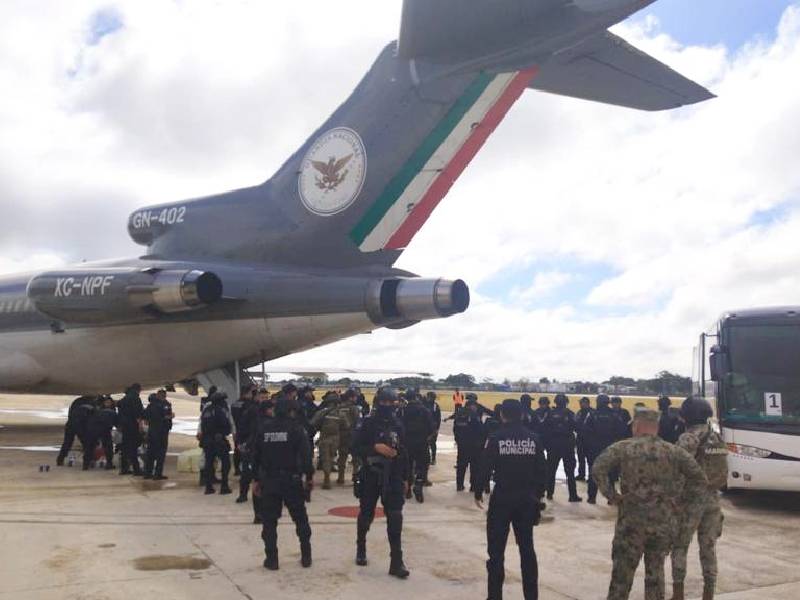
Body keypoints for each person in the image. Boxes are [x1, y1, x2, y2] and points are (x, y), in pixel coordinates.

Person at [591, 407, 707, 600]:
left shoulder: (623, 447)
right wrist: (678, 501)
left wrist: (613, 495)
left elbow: (598, 468)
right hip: (662, 525)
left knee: (622, 576)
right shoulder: (673, 451)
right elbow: (699, 479)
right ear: (656, 427)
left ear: (636, 425)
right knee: (655, 574)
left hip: (631, 525)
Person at [475, 399, 548, 600]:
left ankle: (495, 596)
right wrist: (538, 495)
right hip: (526, 499)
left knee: (496, 552)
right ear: (523, 415)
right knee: (527, 550)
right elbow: (542, 470)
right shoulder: (534, 439)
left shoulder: (496, 437)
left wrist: (478, 491)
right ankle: (531, 596)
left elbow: (485, 466)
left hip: (502, 499)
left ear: (502, 415)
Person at [670, 397, 728, 600]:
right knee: (708, 547)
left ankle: (678, 594)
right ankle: (708, 593)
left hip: (690, 500)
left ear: (687, 416)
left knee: (679, 546)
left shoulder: (688, 438)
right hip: (713, 499)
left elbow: (677, 470)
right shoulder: (716, 437)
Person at [352, 386, 410, 578]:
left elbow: (404, 452)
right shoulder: (367, 423)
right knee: (366, 515)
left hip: (392, 476)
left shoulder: (398, 424)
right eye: (384, 402)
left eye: (390, 403)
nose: (387, 406)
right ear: (378, 403)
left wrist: (406, 477)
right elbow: (355, 447)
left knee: (395, 517)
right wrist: (374, 448)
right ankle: (361, 547)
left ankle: (396, 561)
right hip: (371, 475)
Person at [251, 395, 314, 570]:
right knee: (301, 519)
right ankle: (306, 555)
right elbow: (306, 457)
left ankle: (272, 559)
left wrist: (256, 479)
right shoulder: (297, 429)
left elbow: (255, 457)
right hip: (291, 481)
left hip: (270, 481)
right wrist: (309, 478)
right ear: (291, 411)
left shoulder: (264, 429)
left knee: (269, 522)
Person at [583, 395, 625, 504]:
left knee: (593, 472)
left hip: (594, 448)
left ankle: (592, 497)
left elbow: (585, 431)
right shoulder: (614, 415)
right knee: (611, 473)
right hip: (610, 447)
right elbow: (621, 431)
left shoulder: (591, 414)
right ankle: (611, 498)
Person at [546, 394, 582, 502]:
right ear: (566, 402)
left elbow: (544, 428)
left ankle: (549, 493)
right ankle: (572, 495)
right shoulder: (570, 413)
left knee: (551, 471)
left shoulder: (550, 414)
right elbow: (577, 427)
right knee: (570, 472)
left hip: (553, 444)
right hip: (567, 444)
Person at [402, 392, 433, 502]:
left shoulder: (403, 410)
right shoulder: (424, 410)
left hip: (406, 443)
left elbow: (398, 426)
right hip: (421, 442)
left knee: (407, 466)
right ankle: (419, 484)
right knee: (423, 465)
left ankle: (408, 488)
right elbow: (431, 427)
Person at [201, 391, 233, 495]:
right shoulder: (219, 411)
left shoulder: (206, 411)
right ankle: (224, 486)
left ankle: (208, 487)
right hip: (218, 440)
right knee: (226, 463)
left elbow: (203, 425)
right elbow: (226, 426)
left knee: (209, 463)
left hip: (207, 440)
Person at [453, 396, 486, 492]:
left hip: (462, 444)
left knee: (461, 466)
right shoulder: (474, 416)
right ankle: (473, 486)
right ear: (472, 406)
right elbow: (480, 430)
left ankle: (459, 485)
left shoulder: (459, 414)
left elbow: (455, 429)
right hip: (474, 445)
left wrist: (458, 440)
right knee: (474, 466)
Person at [234, 388, 260, 503]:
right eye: (261, 396)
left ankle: (244, 494)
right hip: (252, 444)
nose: (262, 399)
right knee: (248, 472)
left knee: (248, 472)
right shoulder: (253, 410)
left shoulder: (244, 407)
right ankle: (244, 494)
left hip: (250, 444)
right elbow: (248, 428)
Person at [56, 395, 96, 466]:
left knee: (67, 443)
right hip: (80, 425)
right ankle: (89, 461)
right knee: (87, 443)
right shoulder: (92, 404)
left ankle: (60, 459)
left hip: (70, 423)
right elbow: (92, 418)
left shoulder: (76, 401)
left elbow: (70, 414)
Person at [143, 390, 174, 480]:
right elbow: (165, 416)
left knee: (150, 453)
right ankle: (157, 473)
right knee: (161, 453)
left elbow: (145, 416)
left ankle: (147, 473)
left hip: (152, 431)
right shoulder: (165, 404)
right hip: (161, 431)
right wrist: (168, 417)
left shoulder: (150, 405)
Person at [117, 384, 144, 476]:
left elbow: (119, 408)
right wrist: (140, 425)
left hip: (124, 425)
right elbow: (138, 413)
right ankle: (136, 469)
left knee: (124, 447)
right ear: (138, 390)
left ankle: (124, 468)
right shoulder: (135, 399)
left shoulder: (124, 400)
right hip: (132, 425)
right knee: (133, 448)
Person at [84, 395, 117, 470]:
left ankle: (86, 464)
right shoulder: (111, 411)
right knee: (107, 447)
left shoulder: (97, 409)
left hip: (94, 429)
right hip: (103, 430)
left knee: (90, 446)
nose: (108, 404)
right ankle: (109, 463)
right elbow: (116, 422)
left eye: (109, 402)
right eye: (107, 402)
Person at [231, 385, 256, 476]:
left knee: (237, 450)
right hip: (247, 431)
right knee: (247, 452)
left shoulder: (234, 404)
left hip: (237, 430)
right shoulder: (249, 405)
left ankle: (237, 469)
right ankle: (246, 471)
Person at [575, 397, 593, 481]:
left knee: (590, 459)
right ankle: (581, 474)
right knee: (581, 458)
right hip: (580, 438)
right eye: (580, 403)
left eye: (582, 403)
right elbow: (575, 422)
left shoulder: (592, 412)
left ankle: (591, 476)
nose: (580, 404)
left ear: (587, 403)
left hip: (589, 439)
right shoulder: (579, 412)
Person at [423, 391, 442, 466]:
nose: (427, 398)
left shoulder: (435, 406)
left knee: (432, 444)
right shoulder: (424, 405)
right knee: (425, 444)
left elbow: (438, 418)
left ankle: (433, 458)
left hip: (433, 428)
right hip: (425, 427)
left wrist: (437, 429)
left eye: (428, 397)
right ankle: (426, 459)